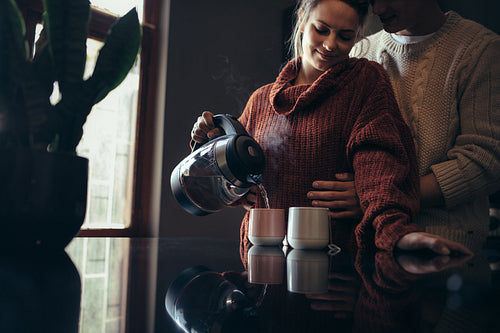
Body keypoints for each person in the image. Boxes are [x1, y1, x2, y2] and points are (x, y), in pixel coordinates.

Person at [191, 0, 472, 259]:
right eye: (321, 30)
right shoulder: (262, 100)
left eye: (345, 36)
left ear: (358, 36)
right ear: (302, 19)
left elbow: (381, 167)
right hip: (261, 263)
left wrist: (398, 234)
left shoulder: (364, 84)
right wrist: (208, 145)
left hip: (338, 266)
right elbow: (225, 177)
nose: (330, 44)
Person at [315, 0, 500, 253]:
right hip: (362, 247)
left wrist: (379, 195)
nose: (378, 10)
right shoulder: (360, 50)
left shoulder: (480, 50)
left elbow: (486, 160)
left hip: (445, 254)